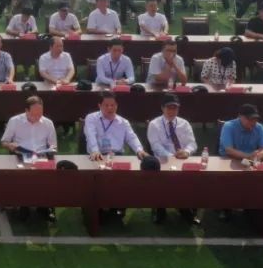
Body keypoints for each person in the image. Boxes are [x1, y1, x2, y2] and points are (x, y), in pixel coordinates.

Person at [146, 93, 200, 224]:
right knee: (163, 180)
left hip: (183, 159)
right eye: (169, 108)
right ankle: (160, 209)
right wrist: (172, 157)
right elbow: (155, 146)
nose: (171, 111)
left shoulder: (184, 124)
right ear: (162, 108)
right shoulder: (154, 124)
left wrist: (186, 152)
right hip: (163, 160)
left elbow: (193, 143)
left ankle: (186, 208)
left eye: (174, 108)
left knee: (194, 179)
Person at [83, 91, 147, 162]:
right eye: (106, 105)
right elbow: (90, 136)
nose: (110, 108)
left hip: (117, 155)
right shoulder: (91, 118)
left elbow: (132, 138)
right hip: (96, 155)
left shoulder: (123, 122)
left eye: (112, 105)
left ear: (117, 105)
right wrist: (95, 151)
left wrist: (139, 150)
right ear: (100, 106)